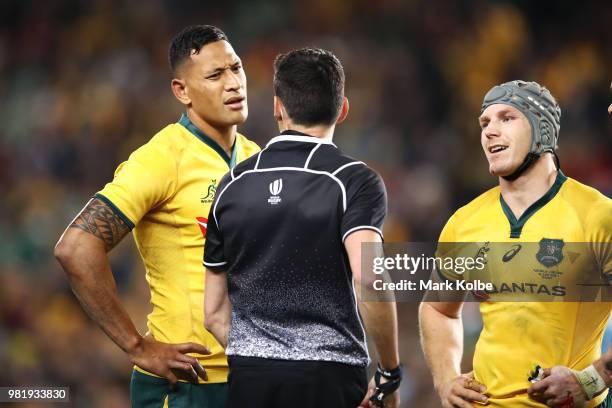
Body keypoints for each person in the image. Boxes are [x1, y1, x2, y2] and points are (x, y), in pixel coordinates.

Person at [54, 25, 259, 407]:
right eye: (215, 75)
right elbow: (76, 247)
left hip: (252, 375)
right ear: (182, 91)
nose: (233, 83)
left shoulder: (256, 159)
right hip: (186, 383)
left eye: (236, 68)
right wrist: (137, 345)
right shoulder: (161, 158)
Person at [203, 48, 401, 408]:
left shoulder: (231, 184)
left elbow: (213, 314)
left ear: (277, 107)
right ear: (342, 109)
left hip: (250, 380)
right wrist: (390, 373)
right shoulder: (353, 181)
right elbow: (370, 279)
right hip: (330, 378)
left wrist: (259, 352)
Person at [419, 80, 612, 407]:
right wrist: (446, 379)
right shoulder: (465, 223)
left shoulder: (597, 216)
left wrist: (590, 381)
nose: (490, 131)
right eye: (485, 122)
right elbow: (437, 309)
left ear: (543, 130)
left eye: (507, 118)